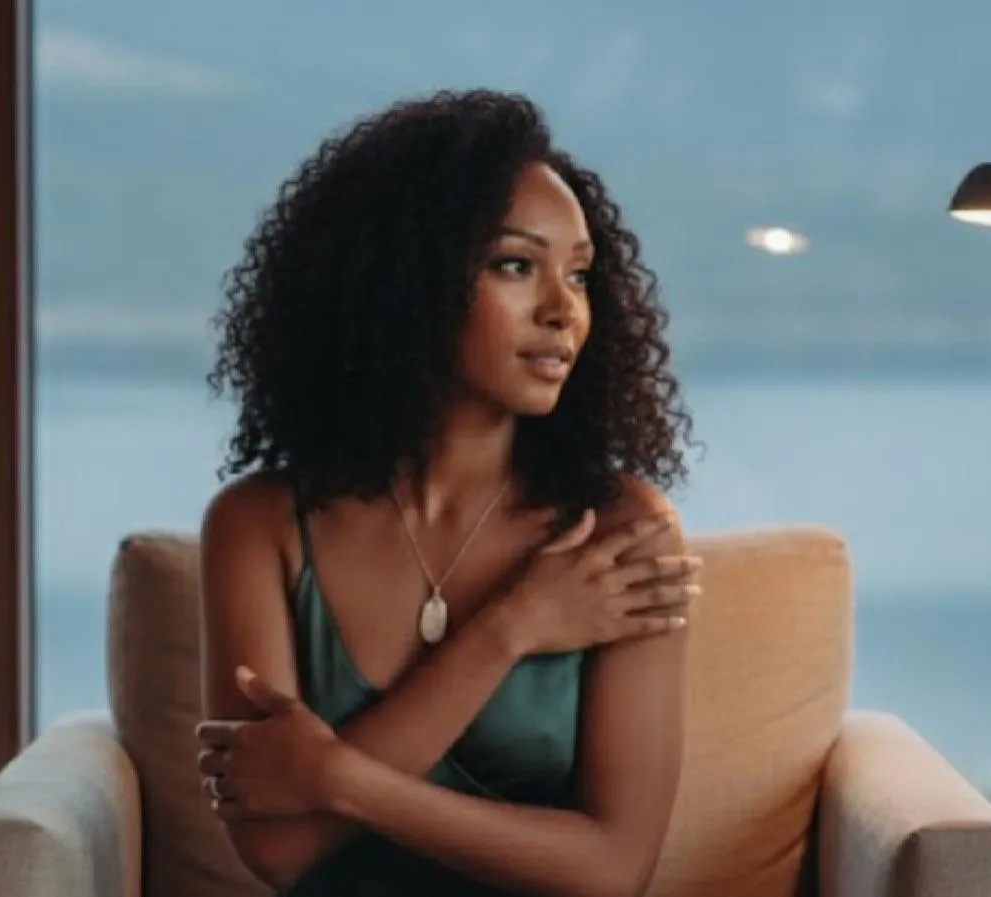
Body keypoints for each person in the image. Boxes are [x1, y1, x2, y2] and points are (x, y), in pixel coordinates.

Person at [194, 89, 702, 897]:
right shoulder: (259, 525)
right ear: (404, 282)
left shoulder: (620, 533)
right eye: (514, 265)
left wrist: (338, 778)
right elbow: (278, 850)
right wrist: (510, 627)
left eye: (578, 274)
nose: (561, 309)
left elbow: (611, 870)